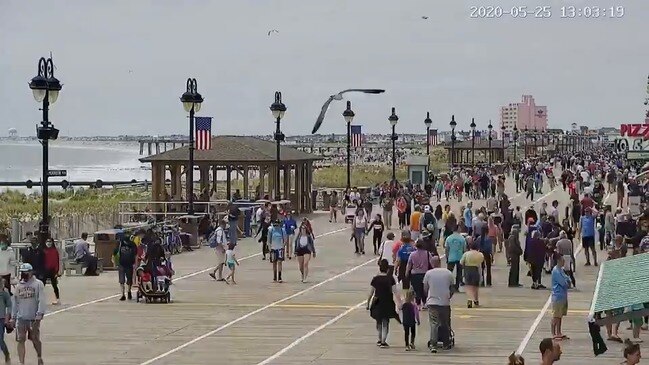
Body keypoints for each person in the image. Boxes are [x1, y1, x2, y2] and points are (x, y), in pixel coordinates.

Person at [11, 263, 46, 365]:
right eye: (22, 272)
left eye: (26, 272)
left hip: (33, 318)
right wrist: (13, 317)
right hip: (21, 318)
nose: (24, 275)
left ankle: (39, 356)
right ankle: (21, 362)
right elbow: (15, 303)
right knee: (20, 340)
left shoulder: (38, 284)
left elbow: (41, 300)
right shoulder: (18, 286)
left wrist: (39, 315)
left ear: (31, 272)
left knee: (35, 339)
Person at [367, 259, 402, 348]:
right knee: (386, 322)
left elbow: (371, 293)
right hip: (388, 302)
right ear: (387, 268)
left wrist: (368, 303)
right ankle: (383, 341)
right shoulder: (390, 279)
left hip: (377, 302)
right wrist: (399, 303)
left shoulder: (375, 279)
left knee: (378, 321)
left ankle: (379, 339)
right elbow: (395, 292)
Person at [422, 256, 454, 353]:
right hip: (444, 302)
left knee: (434, 324)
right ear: (440, 262)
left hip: (432, 301)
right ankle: (446, 343)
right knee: (445, 323)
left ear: (432, 263)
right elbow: (452, 288)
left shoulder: (429, 273)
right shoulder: (448, 273)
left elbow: (425, 287)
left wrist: (428, 296)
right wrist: (448, 296)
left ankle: (433, 344)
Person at [405, 240, 434, 308]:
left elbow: (409, 265)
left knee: (416, 289)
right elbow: (431, 263)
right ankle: (424, 302)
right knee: (424, 289)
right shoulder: (427, 253)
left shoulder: (412, 254)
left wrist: (406, 273)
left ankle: (418, 304)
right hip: (425, 273)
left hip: (415, 274)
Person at [550, 256, 570, 340]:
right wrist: (567, 282)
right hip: (557, 296)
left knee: (560, 315)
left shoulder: (561, 270)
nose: (564, 262)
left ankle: (559, 332)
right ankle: (553, 333)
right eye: (562, 260)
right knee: (556, 316)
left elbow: (567, 278)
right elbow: (563, 282)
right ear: (558, 260)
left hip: (562, 295)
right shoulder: (556, 271)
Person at [113, 233, 137, 301]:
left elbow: (135, 254)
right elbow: (115, 253)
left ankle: (127, 292)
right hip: (124, 264)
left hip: (127, 264)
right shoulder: (121, 244)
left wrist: (135, 264)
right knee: (123, 280)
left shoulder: (130, 244)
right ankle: (124, 294)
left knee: (127, 280)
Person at [460, 241, 484, 308]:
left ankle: (469, 300)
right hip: (476, 269)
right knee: (475, 286)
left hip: (468, 269)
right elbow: (481, 262)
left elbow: (461, 262)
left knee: (468, 286)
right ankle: (476, 300)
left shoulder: (466, 254)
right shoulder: (480, 254)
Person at [445, 224, 465, 290]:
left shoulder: (449, 238)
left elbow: (447, 249)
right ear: (458, 229)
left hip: (451, 256)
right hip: (460, 257)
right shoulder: (462, 238)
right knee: (459, 273)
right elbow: (464, 249)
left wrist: (447, 257)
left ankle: (448, 285)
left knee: (449, 272)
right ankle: (457, 286)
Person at [42, 238, 61, 305]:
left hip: (53, 270)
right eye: (47, 241)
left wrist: (57, 271)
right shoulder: (43, 251)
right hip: (45, 270)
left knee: (54, 285)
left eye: (50, 242)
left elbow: (57, 261)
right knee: (42, 285)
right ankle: (40, 299)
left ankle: (58, 299)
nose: (49, 243)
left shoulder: (55, 251)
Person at [0, 277, 11, 363]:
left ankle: (6, 354)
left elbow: (9, 306)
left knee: (0, 339)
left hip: (1, 319)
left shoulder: (4, 293)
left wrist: (7, 319)